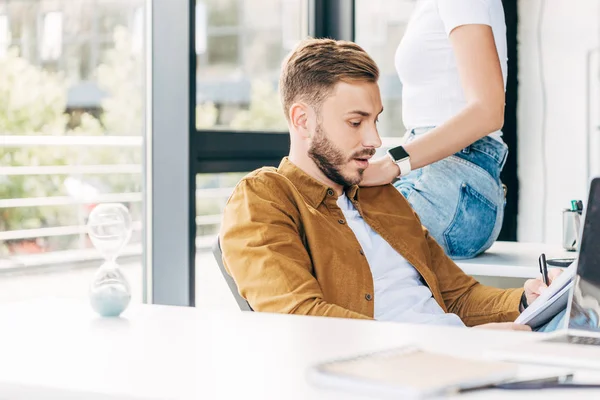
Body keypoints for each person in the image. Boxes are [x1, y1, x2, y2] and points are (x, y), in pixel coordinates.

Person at [219, 37, 555, 330]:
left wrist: (527, 299)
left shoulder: (381, 196)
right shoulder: (263, 199)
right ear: (302, 120)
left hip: (453, 353)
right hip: (398, 368)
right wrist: (459, 343)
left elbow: (459, 296)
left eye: (375, 120)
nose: (375, 139)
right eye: (356, 122)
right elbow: (301, 318)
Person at [360, 0, 510, 260]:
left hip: (454, 181)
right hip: (437, 177)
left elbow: (488, 111)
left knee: (320, 237)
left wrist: (390, 164)